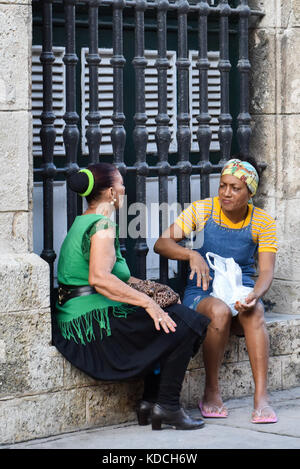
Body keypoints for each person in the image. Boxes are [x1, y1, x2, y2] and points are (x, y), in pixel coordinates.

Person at [52, 162, 210, 431]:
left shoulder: (84, 220)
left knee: (174, 315)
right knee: (187, 323)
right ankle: (167, 405)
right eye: (121, 184)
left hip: (81, 315)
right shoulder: (102, 225)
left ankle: (151, 402)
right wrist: (148, 303)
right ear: (112, 193)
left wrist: (150, 288)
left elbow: (117, 275)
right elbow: (99, 278)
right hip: (91, 327)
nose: (125, 189)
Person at [154, 157, 278, 424]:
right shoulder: (202, 210)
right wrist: (190, 255)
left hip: (239, 291)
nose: (226, 193)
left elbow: (266, 271)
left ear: (250, 193)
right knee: (220, 311)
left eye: (235, 187)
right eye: (223, 185)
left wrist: (255, 294)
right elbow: (161, 243)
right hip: (202, 293)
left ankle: (262, 398)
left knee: (255, 311)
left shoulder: (263, 222)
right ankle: (211, 391)